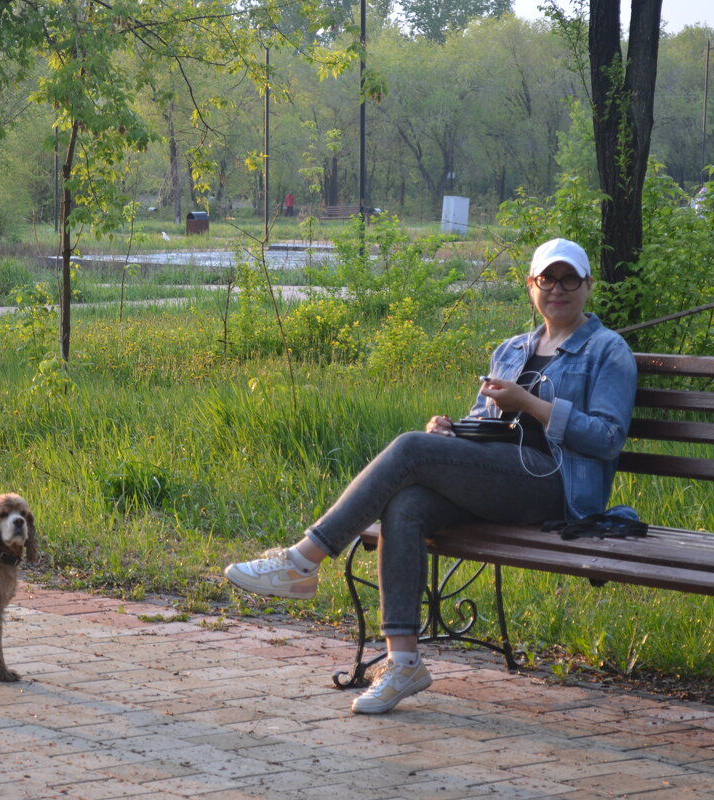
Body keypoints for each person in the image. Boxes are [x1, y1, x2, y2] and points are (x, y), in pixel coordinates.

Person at [224, 238, 637, 715]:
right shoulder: (512, 349)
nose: (558, 289)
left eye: (570, 279)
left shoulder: (608, 350)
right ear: (531, 286)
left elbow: (607, 438)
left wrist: (533, 406)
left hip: (556, 489)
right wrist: (450, 431)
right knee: (408, 504)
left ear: (588, 285)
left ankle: (302, 560)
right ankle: (404, 662)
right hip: (497, 483)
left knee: (410, 451)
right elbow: (485, 424)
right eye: (548, 279)